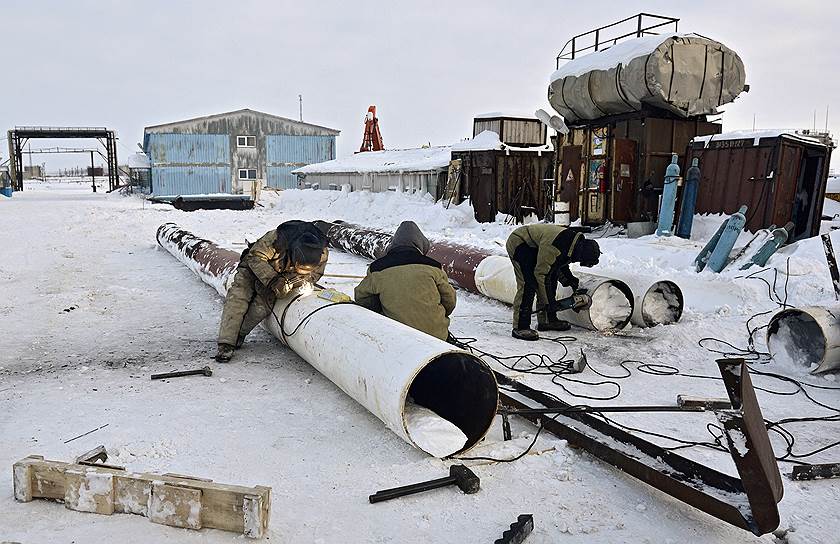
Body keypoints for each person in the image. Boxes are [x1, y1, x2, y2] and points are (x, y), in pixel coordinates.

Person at [215, 220, 328, 362]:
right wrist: (273, 280)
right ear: (294, 253)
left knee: (262, 307)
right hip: (253, 268)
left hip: (283, 275)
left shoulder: (322, 252)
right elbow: (255, 257)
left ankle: (238, 335)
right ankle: (226, 344)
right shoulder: (277, 239)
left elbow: (314, 275)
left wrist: (296, 282)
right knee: (238, 297)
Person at [354, 221, 456, 340]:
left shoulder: (378, 268)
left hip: (397, 339)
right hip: (437, 338)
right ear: (420, 245)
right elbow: (450, 300)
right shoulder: (434, 267)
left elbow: (362, 297)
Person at [506, 224, 600, 341]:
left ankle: (547, 321)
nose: (579, 262)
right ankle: (521, 326)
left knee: (552, 278)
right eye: (581, 260)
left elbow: (558, 265)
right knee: (529, 283)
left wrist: (570, 280)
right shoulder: (558, 245)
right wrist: (549, 303)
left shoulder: (573, 246)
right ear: (581, 253)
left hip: (538, 246)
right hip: (521, 242)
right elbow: (541, 274)